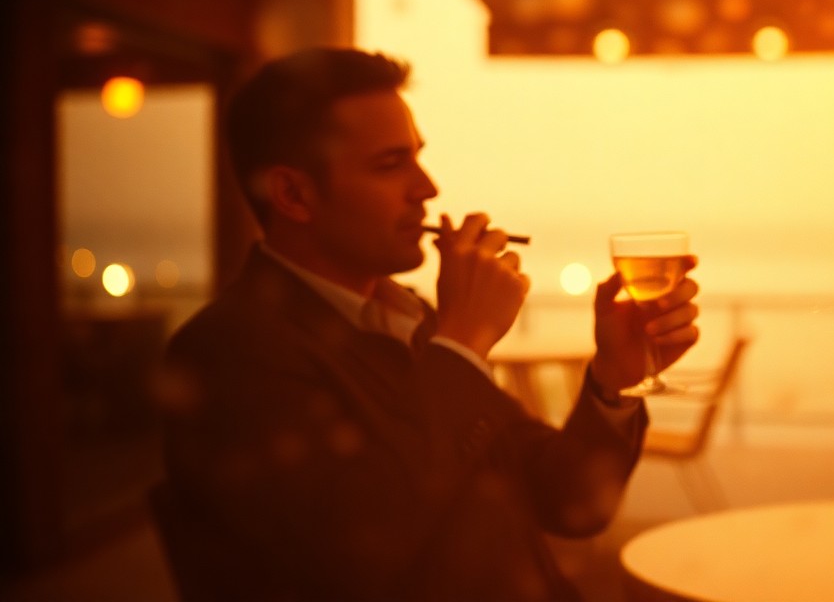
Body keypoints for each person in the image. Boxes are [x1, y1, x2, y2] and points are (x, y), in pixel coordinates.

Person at [156, 47, 700, 601]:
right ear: (295, 194)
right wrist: (462, 344)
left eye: (417, 157)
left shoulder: (415, 321)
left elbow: (571, 502)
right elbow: (353, 551)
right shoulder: (227, 354)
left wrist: (612, 381)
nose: (428, 188)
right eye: (390, 165)